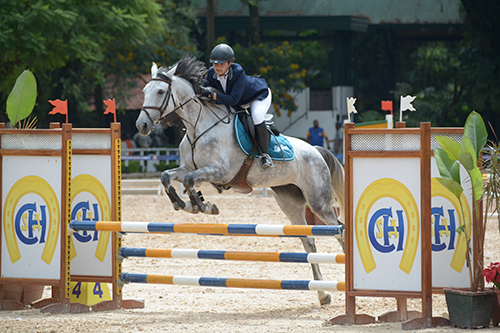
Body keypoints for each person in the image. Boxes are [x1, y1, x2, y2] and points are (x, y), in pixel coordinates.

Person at [200, 43, 273, 170]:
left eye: (221, 64)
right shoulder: (212, 73)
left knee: (256, 117)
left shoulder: (238, 71)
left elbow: (233, 100)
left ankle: (265, 155)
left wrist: (212, 95)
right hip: (239, 101)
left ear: (229, 63)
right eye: (215, 64)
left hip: (257, 96)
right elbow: (205, 92)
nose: (217, 67)